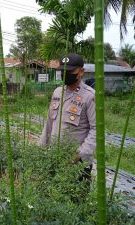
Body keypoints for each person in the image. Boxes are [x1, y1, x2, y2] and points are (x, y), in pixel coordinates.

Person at [38, 53, 96, 184]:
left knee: (76, 200)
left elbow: (96, 129)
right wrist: (41, 149)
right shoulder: (57, 92)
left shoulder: (90, 96)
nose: (66, 75)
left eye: (69, 71)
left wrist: (80, 154)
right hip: (55, 156)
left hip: (77, 162)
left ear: (81, 71)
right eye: (63, 71)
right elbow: (49, 123)